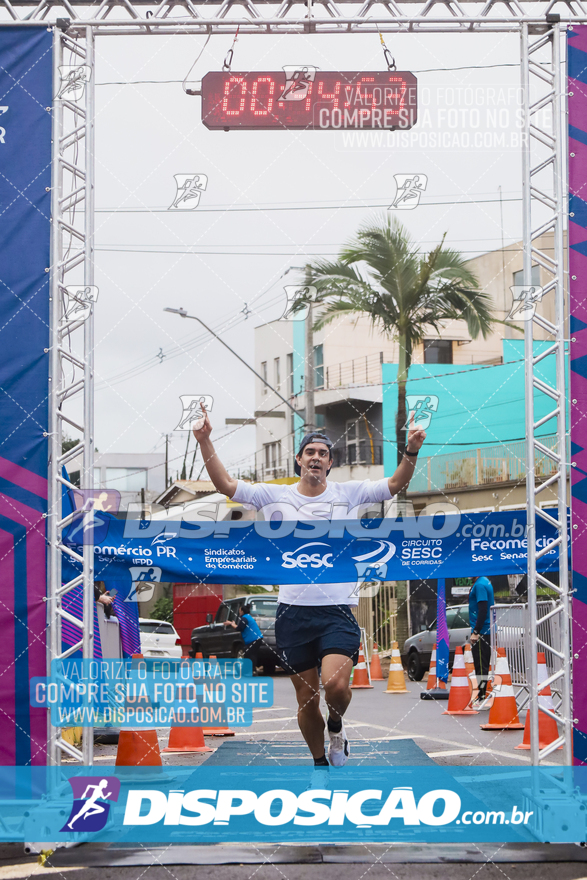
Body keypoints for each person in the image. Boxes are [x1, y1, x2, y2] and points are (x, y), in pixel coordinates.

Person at [193, 404, 426, 769]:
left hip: (337, 611)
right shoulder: (274, 496)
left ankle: (337, 725)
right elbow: (225, 485)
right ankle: (320, 763)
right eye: (310, 453)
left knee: (335, 687)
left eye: (323, 454)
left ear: (330, 464)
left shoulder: (349, 493)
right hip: (293, 613)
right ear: (298, 460)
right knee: (305, 700)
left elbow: (396, 484)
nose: (316, 458)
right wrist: (205, 440)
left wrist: (411, 449)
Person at [468, 574, 495, 707]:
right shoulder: (484, 581)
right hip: (485, 630)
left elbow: (483, 609)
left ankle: (483, 696)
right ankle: (483, 694)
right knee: (482, 664)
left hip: (483, 631)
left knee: (481, 665)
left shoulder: (479, 585)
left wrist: (476, 632)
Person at [225, 603, 263, 673]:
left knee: (249, 654)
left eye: (239, 610)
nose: (239, 612)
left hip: (254, 639)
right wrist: (232, 623)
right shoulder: (248, 617)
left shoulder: (244, 618)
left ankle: (251, 670)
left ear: (242, 611)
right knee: (251, 654)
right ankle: (252, 670)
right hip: (257, 639)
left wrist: (231, 624)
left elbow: (239, 628)